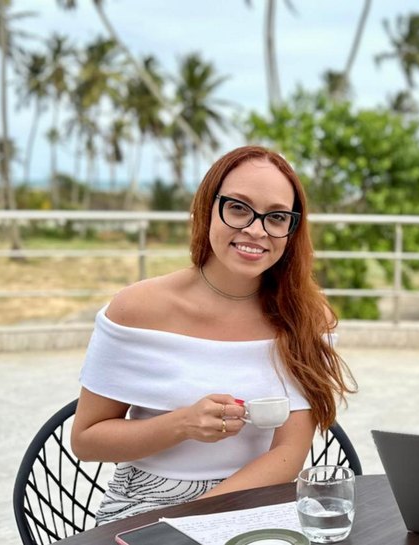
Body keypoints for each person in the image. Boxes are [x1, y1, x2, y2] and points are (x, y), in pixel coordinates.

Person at [71, 145, 356, 524]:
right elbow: (86, 440)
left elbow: (288, 453)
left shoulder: (305, 317)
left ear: (292, 229)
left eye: (276, 217)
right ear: (208, 207)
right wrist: (183, 424)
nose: (256, 229)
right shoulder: (136, 309)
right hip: (147, 505)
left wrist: (202, 521)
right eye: (238, 208)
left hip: (259, 500)